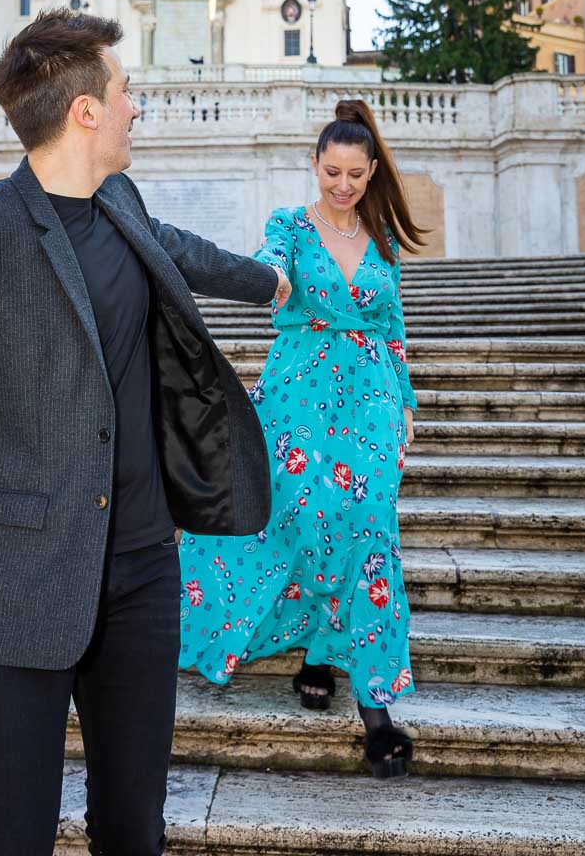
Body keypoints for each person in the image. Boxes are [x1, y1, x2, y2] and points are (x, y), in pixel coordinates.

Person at [0, 8, 291, 856]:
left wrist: (276, 284)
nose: (135, 107)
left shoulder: (122, 199)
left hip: (142, 572)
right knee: (10, 837)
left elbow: (176, 250)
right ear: (85, 112)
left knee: (134, 829)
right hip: (20, 583)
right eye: (126, 91)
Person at [178, 99, 427, 780]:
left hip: (371, 401)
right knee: (300, 520)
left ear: (372, 171)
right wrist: (272, 279)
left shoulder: (383, 240)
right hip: (299, 395)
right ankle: (319, 653)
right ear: (314, 167)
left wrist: (405, 400)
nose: (342, 185)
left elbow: (394, 325)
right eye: (331, 172)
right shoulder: (289, 225)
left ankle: (376, 707)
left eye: (354, 174)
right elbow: (269, 265)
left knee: (367, 529)